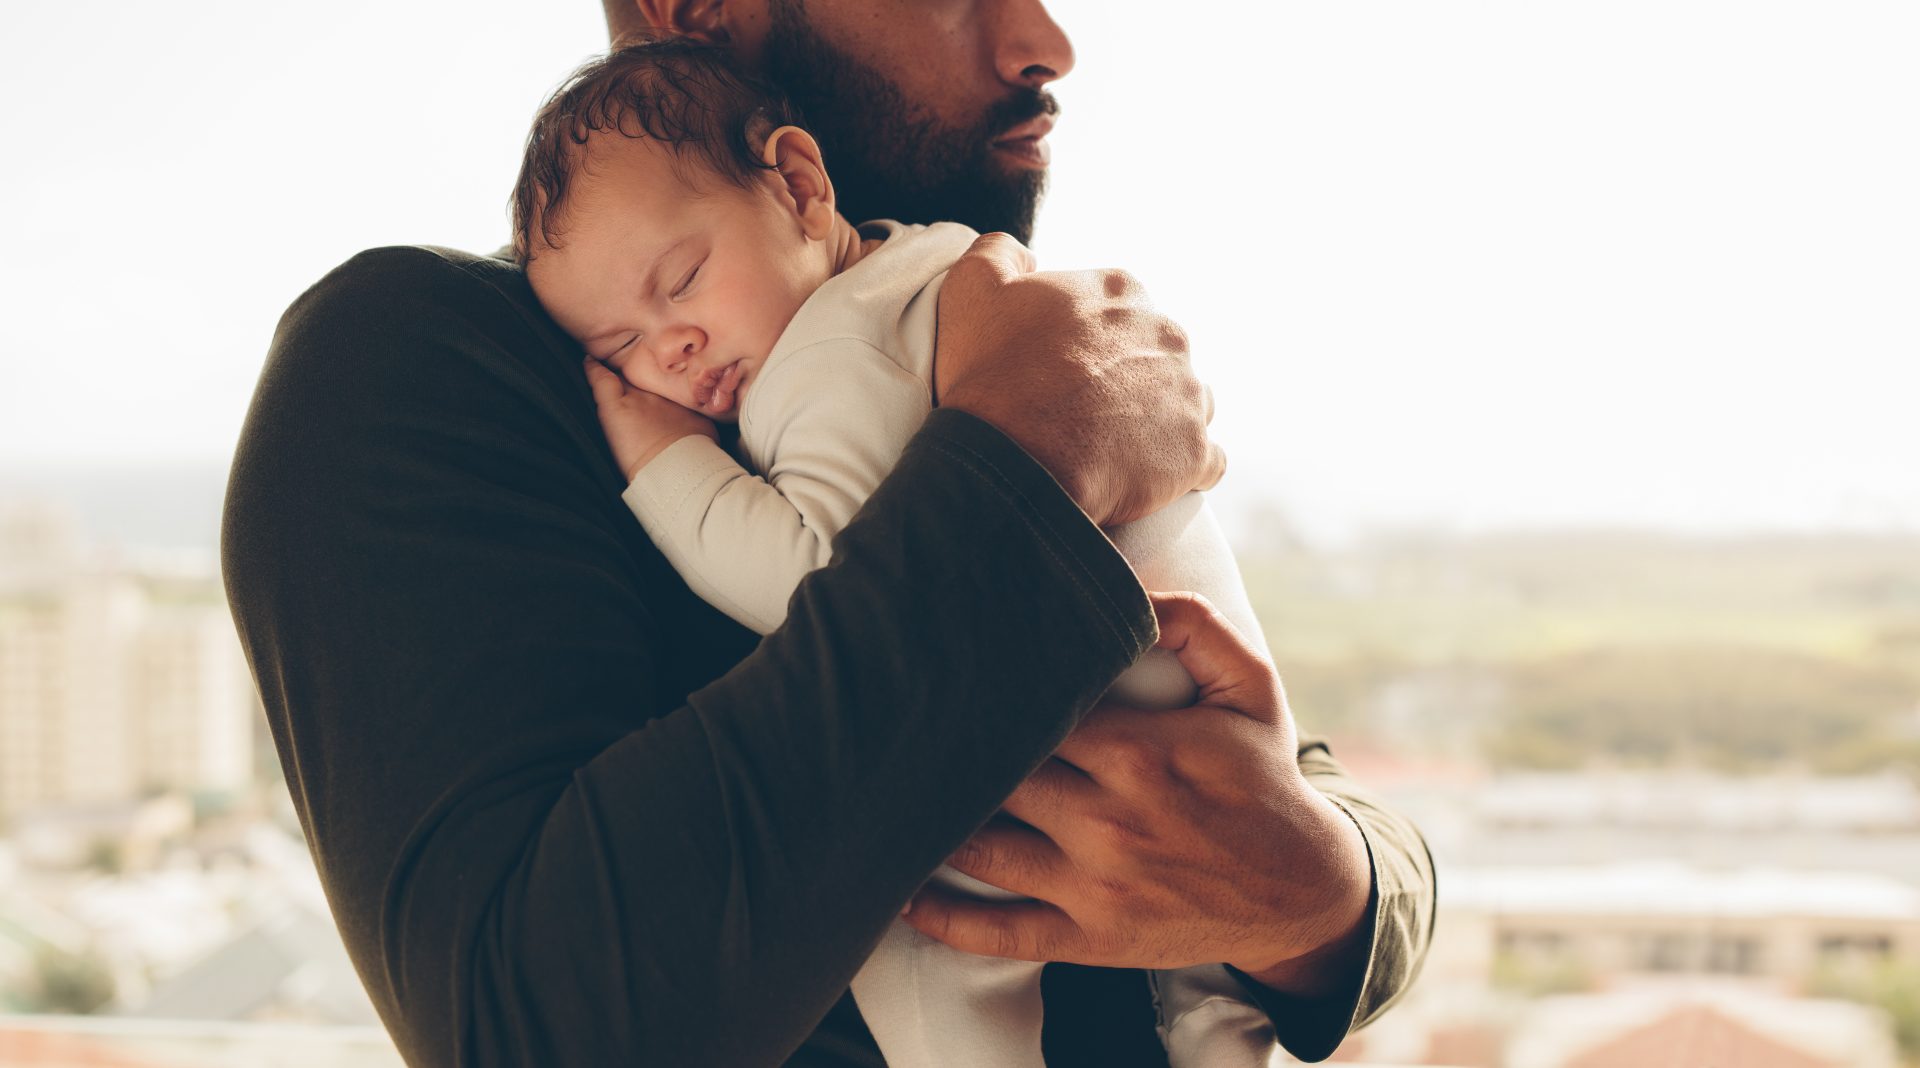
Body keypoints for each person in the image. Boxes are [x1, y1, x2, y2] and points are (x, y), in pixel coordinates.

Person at [221, 2, 1437, 1066]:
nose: (1045, 41)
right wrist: (1036, 449)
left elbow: (1330, 823)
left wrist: (1321, 894)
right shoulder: (423, 363)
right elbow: (544, 1036)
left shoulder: (960, 316)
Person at [515, 40, 1301, 1067]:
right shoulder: (928, 264)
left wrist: (663, 459)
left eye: (684, 281)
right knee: (1200, 993)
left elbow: (822, 590)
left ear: (801, 186)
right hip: (1198, 702)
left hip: (1089, 723)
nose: (672, 347)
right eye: (618, 348)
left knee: (906, 936)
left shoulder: (827, 351)